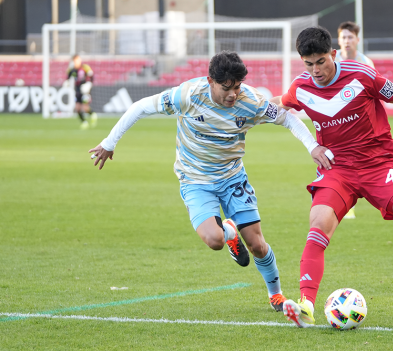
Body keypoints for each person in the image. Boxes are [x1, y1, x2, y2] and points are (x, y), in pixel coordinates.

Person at [88, 51, 327, 312]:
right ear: (210, 80)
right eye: (226, 88)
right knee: (214, 240)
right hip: (195, 180)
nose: (233, 94)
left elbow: (287, 118)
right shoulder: (188, 96)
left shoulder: (252, 101)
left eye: (237, 87)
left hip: (233, 178)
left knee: (257, 245)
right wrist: (109, 143)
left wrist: (313, 146)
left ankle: (276, 295)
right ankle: (229, 233)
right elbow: (140, 107)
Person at [273, 27, 393, 327]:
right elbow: (278, 106)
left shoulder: (362, 75)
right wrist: (245, 104)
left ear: (333, 54)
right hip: (338, 170)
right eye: (308, 64)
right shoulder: (301, 87)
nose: (315, 70)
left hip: (379, 165)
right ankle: (306, 304)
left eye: (320, 61)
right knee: (318, 226)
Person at [336, 21, 375, 219]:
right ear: (339, 40)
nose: (347, 41)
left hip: (358, 122)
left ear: (357, 40)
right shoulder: (332, 61)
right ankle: (343, 203)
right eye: (344, 37)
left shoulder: (366, 63)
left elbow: (373, 92)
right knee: (335, 160)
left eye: (350, 37)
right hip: (335, 121)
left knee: (359, 160)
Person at [66, 54, 97, 129]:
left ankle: (92, 114)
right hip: (77, 91)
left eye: (78, 60)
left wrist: (89, 84)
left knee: (85, 108)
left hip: (85, 90)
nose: (76, 62)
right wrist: (66, 83)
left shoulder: (85, 67)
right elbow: (68, 77)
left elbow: (92, 76)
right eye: (75, 60)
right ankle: (84, 122)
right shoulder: (72, 70)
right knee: (77, 108)